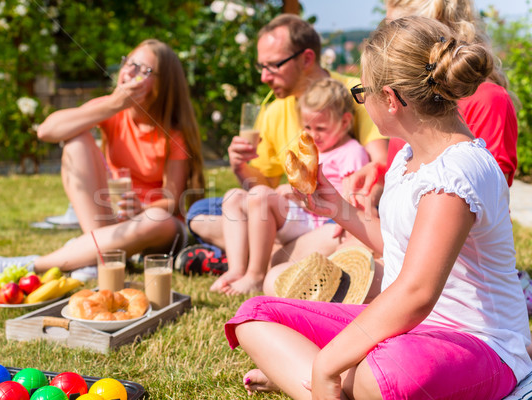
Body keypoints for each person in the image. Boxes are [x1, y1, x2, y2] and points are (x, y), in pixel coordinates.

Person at [224, 16, 532, 399]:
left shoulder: (457, 171)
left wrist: (328, 361)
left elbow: (416, 292)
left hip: (479, 343)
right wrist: (337, 206)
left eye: (361, 92)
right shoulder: (408, 157)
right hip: (409, 332)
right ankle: (326, 383)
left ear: (389, 98)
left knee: (382, 374)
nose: (362, 102)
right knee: (254, 316)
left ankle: (312, 378)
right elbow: (400, 251)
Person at [0, 39, 204, 282]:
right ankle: (98, 256)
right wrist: (114, 104)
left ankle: (34, 264)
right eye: (129, 63)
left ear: (164, 83)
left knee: (158, 221)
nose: (129, 72)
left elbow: (170, 201)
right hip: (112, 220)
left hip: (156, 227)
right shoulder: (113, 109)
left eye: (143, 70)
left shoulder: (174, 133)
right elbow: (47, 131)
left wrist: (143, 209)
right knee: (76, 141)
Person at [177, 14, 387, 273]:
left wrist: (350, 207)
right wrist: (240, 166)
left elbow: (379, 168)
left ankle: (257, 256)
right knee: (199, 211)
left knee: (367, 216)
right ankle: (280, 254)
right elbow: (263, 190)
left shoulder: (353, 93)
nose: (264, 77)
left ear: (307, 58)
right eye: (261, 67)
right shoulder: (273, 111)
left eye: (273, 66)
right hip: (294, 209)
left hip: (339, 210)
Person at [347, 0, 518, 202]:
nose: (387, 39)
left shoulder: (488, 98)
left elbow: (486, 193)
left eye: (397, 27)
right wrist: (380, 172)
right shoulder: (407, 100)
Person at [211, 78, 370, 295]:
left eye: (321, 128)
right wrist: (289, 192)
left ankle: (256, 276)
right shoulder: (315, 150)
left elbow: (351, 196)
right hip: (302, 214)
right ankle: (236, 270)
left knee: (259, 195)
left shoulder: (351, 152)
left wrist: (301, 195)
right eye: (307, 127)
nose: (313, 134)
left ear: (344, 123)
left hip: (320, 222)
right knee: (233, 197)